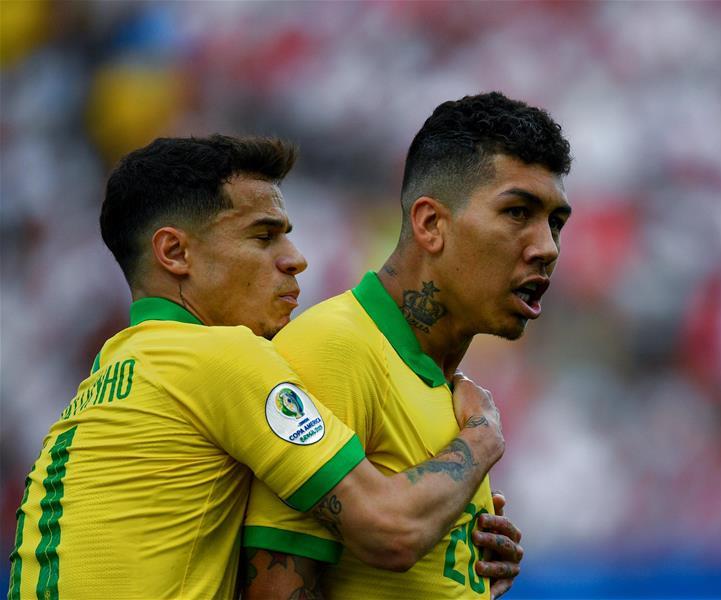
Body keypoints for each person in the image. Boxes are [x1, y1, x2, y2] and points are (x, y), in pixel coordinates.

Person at [7, 135, 512, 599]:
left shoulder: (111, 377)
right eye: (264, 236)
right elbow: (391, 529)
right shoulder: (222, 359)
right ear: (175, 252)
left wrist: (458, 531)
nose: (295, 259)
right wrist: (482, 435)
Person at [242, 91, 573, 599]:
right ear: (430, 224)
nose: (547, 248)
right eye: (517, 212)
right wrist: (482, 441)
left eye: (555, 222)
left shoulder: (451, 389)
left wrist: (462, 561)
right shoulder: (336, 347)